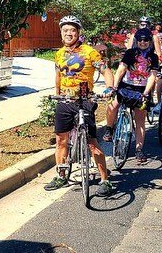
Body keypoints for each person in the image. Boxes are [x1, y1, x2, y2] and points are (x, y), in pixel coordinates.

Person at [45, 15, 116, 197]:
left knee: (92, 142)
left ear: (78, 32)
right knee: (61, 140)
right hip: (65, 102)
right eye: (65, 30)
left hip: (84, 100)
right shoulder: (59, 54)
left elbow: (105, 70)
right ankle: (61, 175)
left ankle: (105, 179)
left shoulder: (89, 52)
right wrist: (57, 93)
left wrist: (109, 88)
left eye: (72, 30)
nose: (69, 33)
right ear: (61, 33)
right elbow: (58, 76)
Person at [102, 28, 159, 164]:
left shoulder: (154, 57)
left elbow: (152, 76)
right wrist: (114, 87)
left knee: (140, 119)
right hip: (126, 85)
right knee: (113, 104)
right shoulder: (130, 53)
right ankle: (109, 129)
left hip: (142, 89)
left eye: (146, 40)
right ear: (136, 41)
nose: (143, 42)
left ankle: (139, 150)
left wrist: (146, 93)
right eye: (140, 40)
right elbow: (121, 69)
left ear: (150, 41)